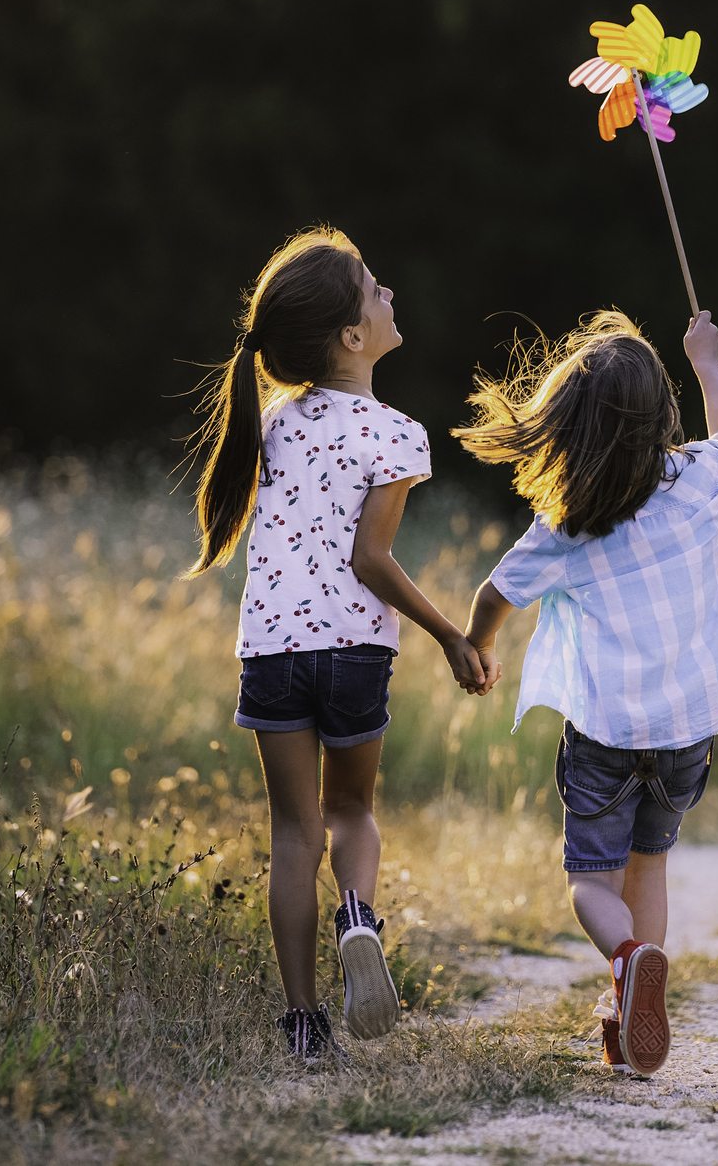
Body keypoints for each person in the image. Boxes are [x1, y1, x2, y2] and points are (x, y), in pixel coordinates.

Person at [185, 227, 490, 1063]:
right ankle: (359, 915)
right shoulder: (396, 432)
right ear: (352, 337)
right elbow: (370, 559)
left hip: (272, 652)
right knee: (351, 811)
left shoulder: (269, 423)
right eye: (377, 291)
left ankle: (301, 1024)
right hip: (354, 650)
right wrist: (449, 635)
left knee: (293, 834)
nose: (392, 297)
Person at [455, 308, 718, 1078]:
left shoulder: (569, 522)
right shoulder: (697, 481)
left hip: (607, 734)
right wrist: (706, 360)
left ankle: (624, 961)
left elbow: (495, 593)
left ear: (571, 425)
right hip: (686, 729)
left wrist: (477, 645)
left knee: (591, 882)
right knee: (647, 866)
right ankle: (635, 1000)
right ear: (661, 412)